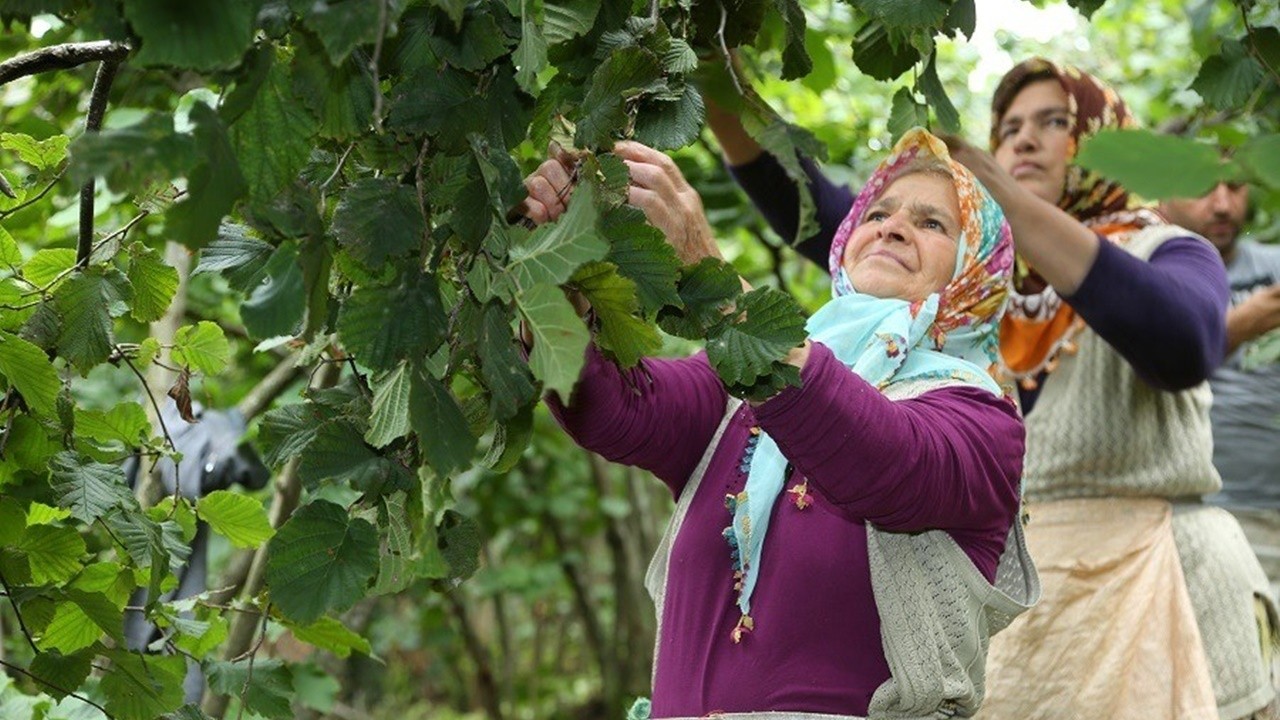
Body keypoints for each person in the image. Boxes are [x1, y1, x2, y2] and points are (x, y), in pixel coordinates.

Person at [711, 58, 1276, 719]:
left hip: (1163, 579)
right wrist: (719, 80)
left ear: (1103, 141)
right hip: (1025, 610)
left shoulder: (1168, 250)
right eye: (1009, 128)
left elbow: (1182, 345)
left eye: (1054, 122)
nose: (1026, 139)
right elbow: (811, 206)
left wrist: (1003, 194)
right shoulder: (967, 288)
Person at [522, 129, 1038, 718]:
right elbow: (614, 409)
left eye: (932, 224)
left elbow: (880, 460)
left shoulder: (983, 421)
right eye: (878, 211)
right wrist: (557, 271)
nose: (892, 227)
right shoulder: (736, 387)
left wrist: (710, 277)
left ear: (979, 270)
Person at [1161, 181, 1280, 597]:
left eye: (1235, 187)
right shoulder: (1147, 276)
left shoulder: (1275, 267)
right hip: (1195, 516)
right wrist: (1236, 328)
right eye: (1204, 186)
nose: (1223, 205)